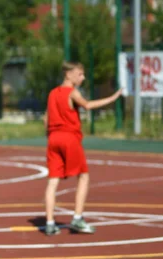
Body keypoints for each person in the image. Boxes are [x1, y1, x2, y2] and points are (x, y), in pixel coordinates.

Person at [43, 61, 122, 236]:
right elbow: (87, 105)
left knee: (52, 182)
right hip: (69, 138)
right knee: (83, 177)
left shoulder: (52, 93)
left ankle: (49, 223)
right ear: (69, 74)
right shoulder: (72, 92)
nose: (83, 77)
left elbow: (45, 118)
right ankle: (77, 218)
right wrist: (112, 98)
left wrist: (49, 136)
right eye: (80, 74)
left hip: (53, 138)